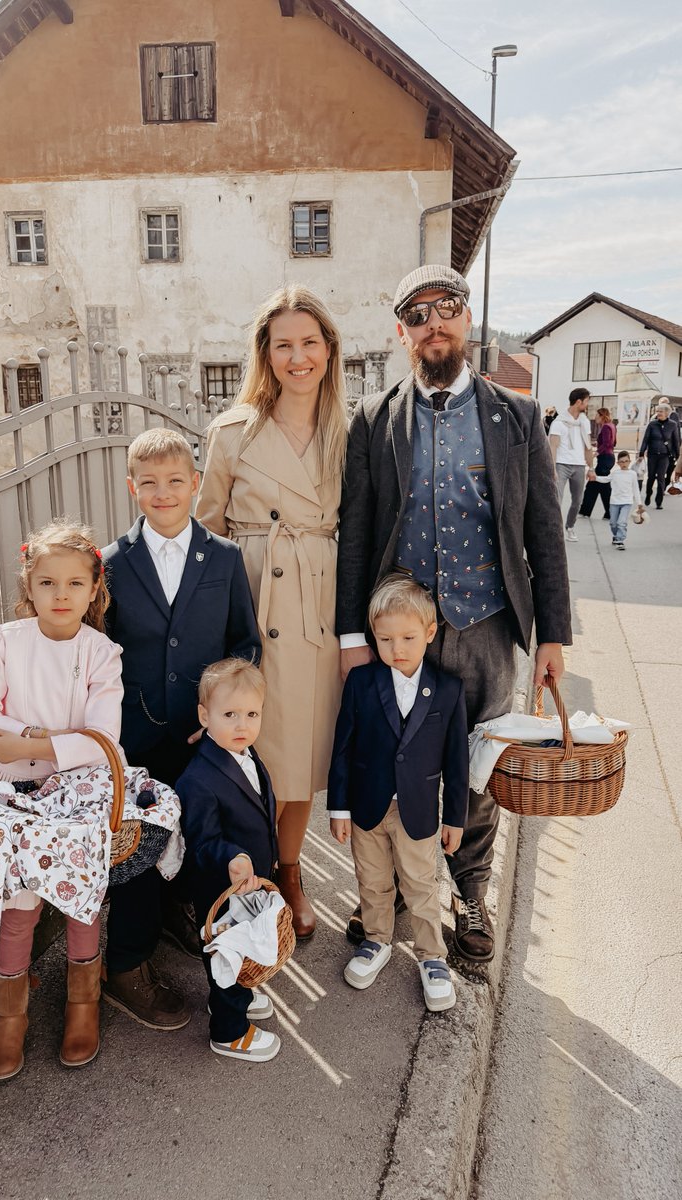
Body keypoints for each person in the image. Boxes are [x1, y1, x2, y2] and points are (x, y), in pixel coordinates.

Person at [336, 263, 571, 962]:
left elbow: (543, 531)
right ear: (402, 333)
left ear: (467, 319)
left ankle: (467, 894)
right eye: (418, 314)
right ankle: (392, 892)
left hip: (486, 627)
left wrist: (554, 633)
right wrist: (354, 635)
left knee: (477, 770)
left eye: (446, 308)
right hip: (397, 632)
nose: (433, 324)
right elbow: (357, 530)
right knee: (388, 757)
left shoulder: (517, 416)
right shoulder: (375, 419)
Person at [0, 519, 183, 1081]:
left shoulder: (101, 651)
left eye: (74, 585)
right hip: (13, 791)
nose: (61, 596)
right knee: (21, 903)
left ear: (93, 590)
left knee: (83, 890)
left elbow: (103, 737)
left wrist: (30, 741)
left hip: (80, 792)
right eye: (47, 583)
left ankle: (82, 1003)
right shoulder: (5, 641)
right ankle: (9, 1015)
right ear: (28, 587)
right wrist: (15, 737)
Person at [196, 284, 348, 939]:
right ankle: (241, 874)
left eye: (309, 342)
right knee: (250, 746)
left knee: (301, 752)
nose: (297, 356)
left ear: (328, 349)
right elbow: (203, 532)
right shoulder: (232, 432)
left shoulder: (350, 431)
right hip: (254, 599)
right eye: (283, 344)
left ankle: (289, 871)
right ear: (265, 352)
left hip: (319, 598)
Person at [101, 428, 260, 1031]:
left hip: (203, 737)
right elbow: (101, 650)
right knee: (138, 849)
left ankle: (187, 917)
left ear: (196, 484)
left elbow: (243, 642)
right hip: (137, 736)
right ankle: (127, 965)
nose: (163, 493)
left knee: (197, 834)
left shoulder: (223, 557)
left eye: (175, 482)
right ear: (132, 488)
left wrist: (219, 719)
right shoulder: (113, 564)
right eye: (149, 483)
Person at [328, 576, 467, 1010]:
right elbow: (343, 746)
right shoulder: (362, 682)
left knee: (421, 884)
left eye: (408, 637)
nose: (397, 648)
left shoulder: (448, 689)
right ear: (374, 637)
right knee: (372, 881)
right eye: (385, 639)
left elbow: (457, 762)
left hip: (419, 810)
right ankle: (376, 941)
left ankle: (432, 957)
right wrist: (338, 806)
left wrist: (456, 818)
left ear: (430, 633)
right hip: (368, 808)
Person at [176, 659, 280, 1062]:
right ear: (205, 716)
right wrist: (233, 858)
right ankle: (229, 1030)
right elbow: (201, 844)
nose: (243, 724)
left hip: (247, 881)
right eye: (230, 714)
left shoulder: (245, 753)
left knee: (238, 954)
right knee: (226, 951)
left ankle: (233, 997)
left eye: (252, 714)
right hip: (221, 885)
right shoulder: (198, 779)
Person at [549, 388, 594, 541]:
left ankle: (570, 527)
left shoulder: (584, 422)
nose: (587, 404)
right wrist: (552, 468)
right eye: (586, 401)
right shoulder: (559, 422)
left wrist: (591, 468)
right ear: (579, 402)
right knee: (557, 500)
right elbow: (553, 446)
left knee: (578, 500)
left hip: (579, 465)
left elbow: (588, 446)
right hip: (561, 464)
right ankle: (555, 531)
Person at [592, 451, 644, 549]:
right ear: (618, 463)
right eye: (622, 462)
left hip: (627, 502)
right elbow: (606, 479)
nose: (624, 464)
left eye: (626, 461)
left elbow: (636, 489)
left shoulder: (632, 474)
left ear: (629, 461)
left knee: (621, 522)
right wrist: (595, 478)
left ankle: (620, 540)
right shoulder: (615, 473)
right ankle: (616, 536)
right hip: (614, 502)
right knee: (613, 522)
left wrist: (639, 503)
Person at [638, 399, 680, 509]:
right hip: (652, 454)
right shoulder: (652, 424)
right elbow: (646, 439)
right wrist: (641, 452)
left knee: (661, 478)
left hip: (665, 455)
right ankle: (648, 495)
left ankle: (659, 502)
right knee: (651, 476)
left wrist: (677, 456)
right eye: (658, 411)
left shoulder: (673, 425)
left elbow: (676, 440)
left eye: (661, 411)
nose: (659, 413)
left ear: (667, 413)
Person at [579, 406, 616, 519]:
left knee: (593, 485)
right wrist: (597, 445)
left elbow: (607, 444)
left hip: (605, 458)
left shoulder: (605, 427)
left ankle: (585, 511)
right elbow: (612, 443)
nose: (594, 417)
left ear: (601, 416)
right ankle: (609, 513)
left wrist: (597, 453)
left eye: (596, 415)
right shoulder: (612, 426)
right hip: (609, 457)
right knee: (603, 487)